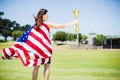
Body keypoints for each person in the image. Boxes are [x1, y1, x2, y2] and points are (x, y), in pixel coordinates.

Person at [2, 9, 78, 80]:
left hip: (37, 50)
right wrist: (73, 22)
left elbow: (28, 38)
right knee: (47, 67)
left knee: (36, 68)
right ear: (43, 15)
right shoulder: (47, 24)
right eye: (47, 14)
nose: (48, 16)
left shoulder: (34, 26)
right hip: (45, 50)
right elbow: (61, 26)